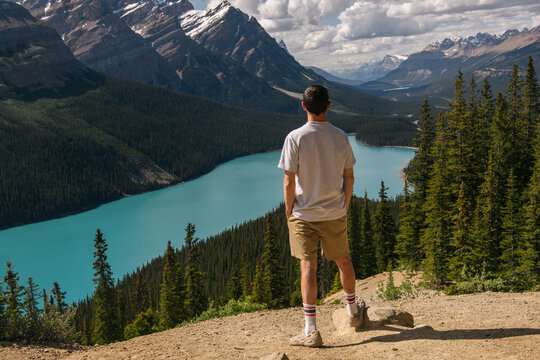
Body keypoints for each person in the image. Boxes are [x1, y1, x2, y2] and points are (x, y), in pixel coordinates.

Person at [278, 84, 365, 348]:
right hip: (334, 212)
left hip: (304, 214)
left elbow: (288, 180)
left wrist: (288, 210)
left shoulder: (295, 137)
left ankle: (311, 331)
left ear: (304, 106)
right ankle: (353, 312)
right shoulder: (340, 137)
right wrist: (345, 204)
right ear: (329, 106)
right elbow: (348, 177)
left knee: (308, 268)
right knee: (343, 260)